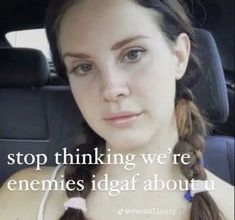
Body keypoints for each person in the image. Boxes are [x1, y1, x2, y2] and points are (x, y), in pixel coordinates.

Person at [0, 0, 234, 220]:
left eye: (133, 54)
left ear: (179, 56)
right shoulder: (22, 198)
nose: (111, 89)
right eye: (84, 67)